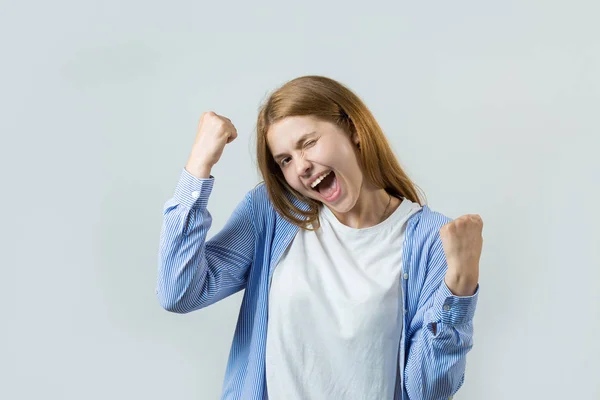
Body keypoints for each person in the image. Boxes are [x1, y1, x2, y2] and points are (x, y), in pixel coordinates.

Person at [157, 75, 483, 400]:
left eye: (308, 143)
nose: (301, 167)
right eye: (285, 159)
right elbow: (179, 291)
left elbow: (428, 391)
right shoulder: (273, 214)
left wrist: (459, 288)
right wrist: (199, 164)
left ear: (354, 130)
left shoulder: (430, 239)